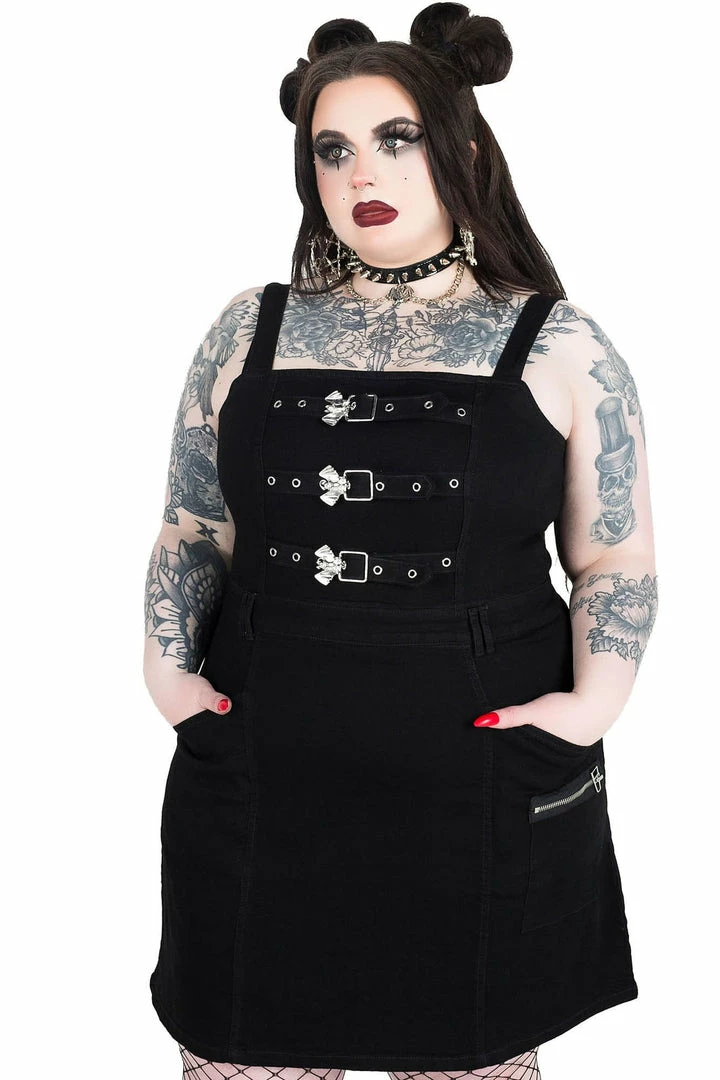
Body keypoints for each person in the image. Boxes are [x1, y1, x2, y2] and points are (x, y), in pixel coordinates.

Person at [143, 5, 658, 1078]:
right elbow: (191, 528)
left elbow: (614, 556)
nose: (359, 172)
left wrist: (592, 707)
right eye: (331, 149)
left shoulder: (560, 341)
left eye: (396, 138)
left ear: (462, 149)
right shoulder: (246, 326)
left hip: (474, 769)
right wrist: (167, 677)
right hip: (262, 765)